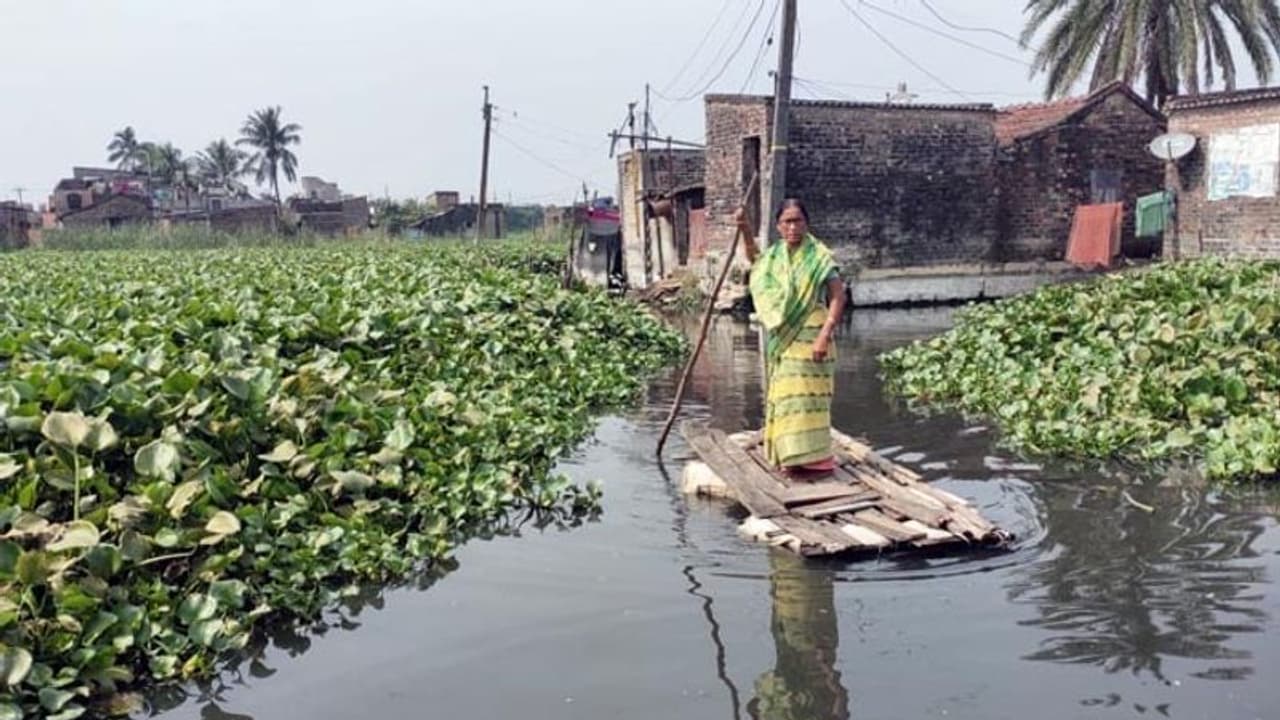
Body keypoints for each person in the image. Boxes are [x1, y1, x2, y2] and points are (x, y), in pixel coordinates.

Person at [736, 199, 846, 477]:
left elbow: (838, 296)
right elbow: (756, 262)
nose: (793, 227)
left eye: (798, 221)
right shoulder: (775, 256)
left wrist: (824, 335)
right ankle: (791, 457)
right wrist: (745, 229)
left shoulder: (819, 256)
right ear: (778, 226)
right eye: (787, 222)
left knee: (808, 399)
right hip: (785, 337)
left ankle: (816, 459)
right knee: (786, 398)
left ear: (807, 224)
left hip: (813, 335)